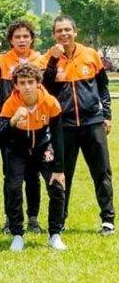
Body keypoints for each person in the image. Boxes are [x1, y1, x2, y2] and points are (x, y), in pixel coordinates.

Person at [41, 15, 114, 235]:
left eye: (67, 30)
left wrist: (107, 115)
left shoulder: (91, 55)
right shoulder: (49, 58)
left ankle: (108, 220)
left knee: (101, 172)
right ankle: (60, 220)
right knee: (63, 173)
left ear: (75, 31)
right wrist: (53, 61)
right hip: (64, 126)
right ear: (54, 35)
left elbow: (103, 88)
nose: (64, 34)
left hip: (93, 122)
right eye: (59, 31)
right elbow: (45, 89)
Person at [0, 20, 45, 234]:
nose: (21, 40)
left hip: (35, 124)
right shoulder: (2, 59)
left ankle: (33, 218)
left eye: (25, 36)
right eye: (17, 37)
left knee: (33, 175)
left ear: (31, 39)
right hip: (10, 123)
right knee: (11, 176)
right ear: (11, 40)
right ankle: (11, 218)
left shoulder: (40, 59)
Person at [0, 63, 67, 251]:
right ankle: (17, 234)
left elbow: (59, 136)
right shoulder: (10, 103)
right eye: (22, 83)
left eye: (30, 82)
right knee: (13, 187)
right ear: (16, 85)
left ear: (38, 83)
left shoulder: (50, 102)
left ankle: (54, 234)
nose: (27, 86)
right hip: (17, 149)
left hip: (43, 148)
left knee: (57, 186)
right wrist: (13, 121)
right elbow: (0, 137)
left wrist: (59, 169)